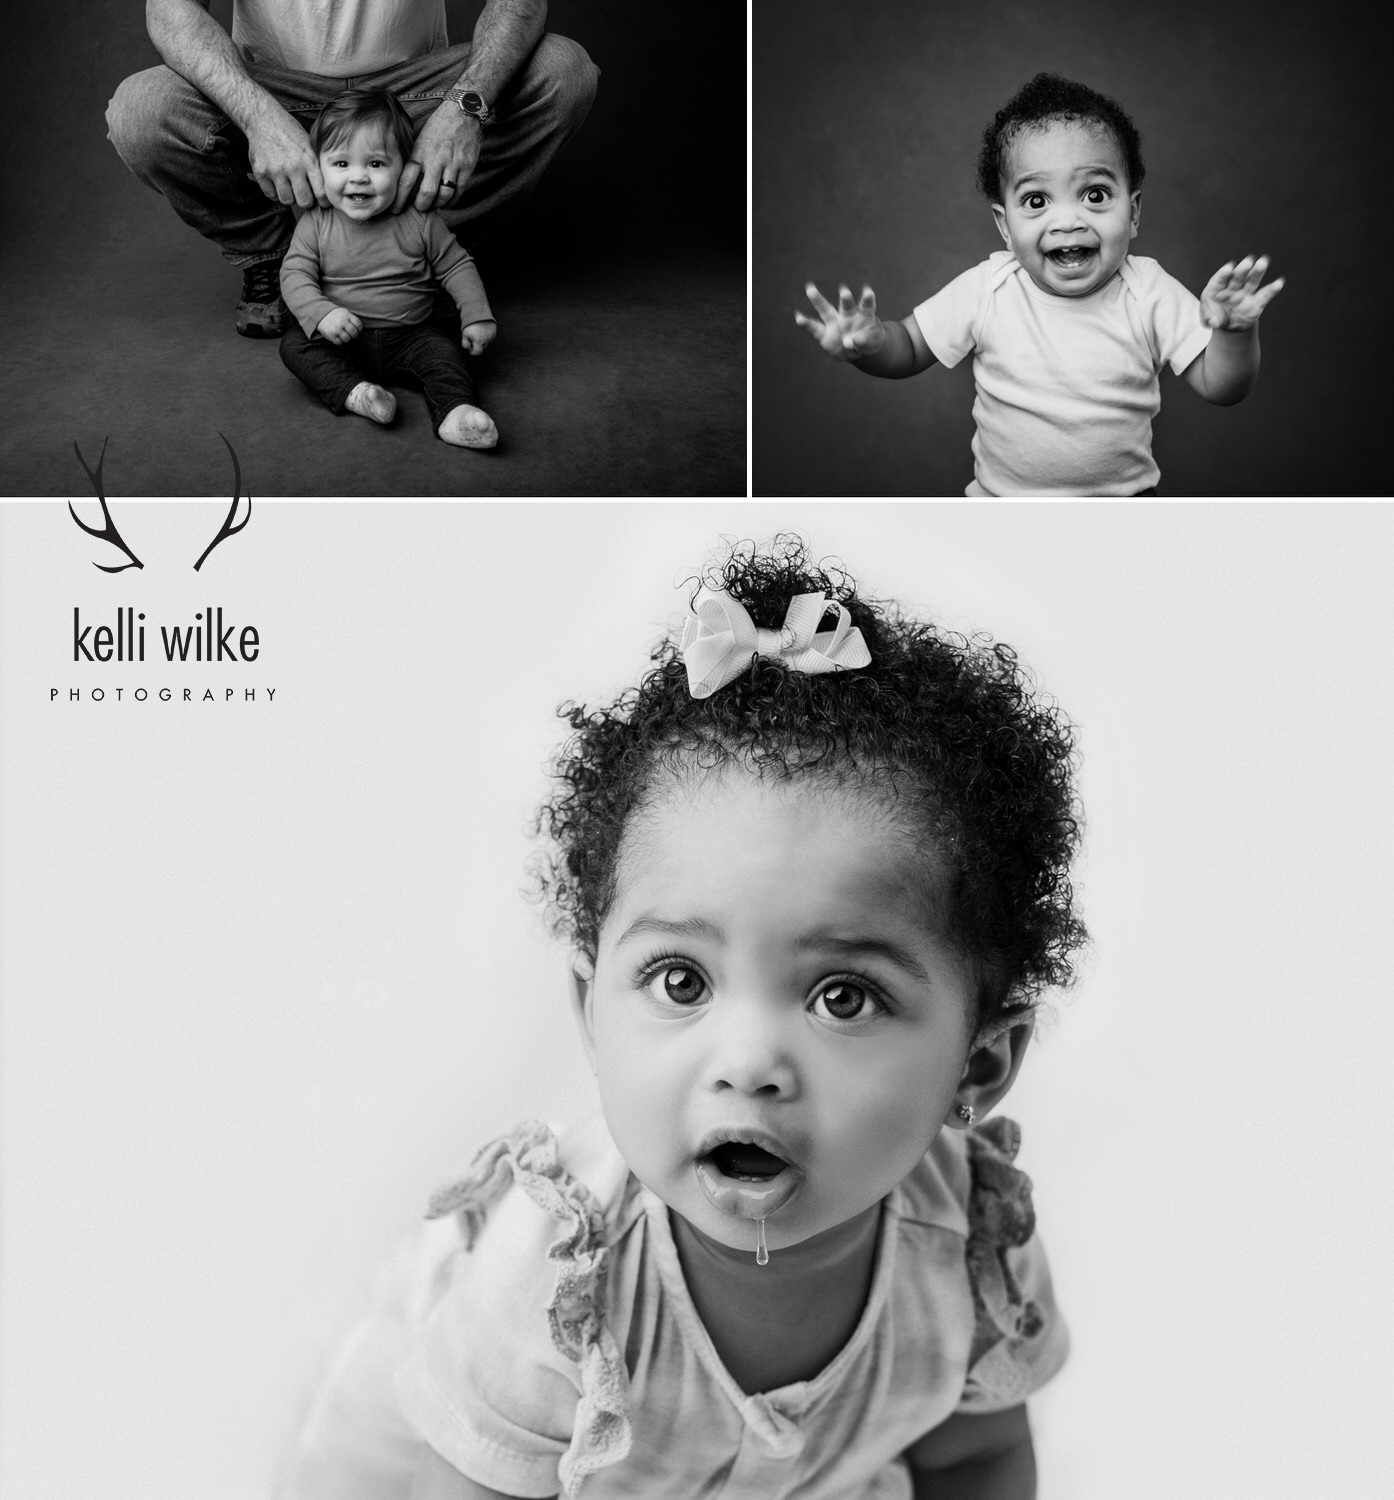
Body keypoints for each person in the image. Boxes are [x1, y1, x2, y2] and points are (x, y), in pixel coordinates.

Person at [277, 536, 1084, 1500]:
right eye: (681, 981)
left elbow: (976, 1457)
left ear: (979, 1068)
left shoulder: (972, 1249)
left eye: (843, 996)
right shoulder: (554, 1282)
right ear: (590, 1010)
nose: (748, 1063)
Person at [795, 73, 1286, 497]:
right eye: (1036, 201)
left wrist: (1235, 333)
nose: (1067, 220)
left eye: (1095, 194)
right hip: (1001, 508)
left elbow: (1222, 387)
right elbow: (908, 349)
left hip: (1125, 506)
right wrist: (872, 343)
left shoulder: (1149, 290)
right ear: (1005, 225)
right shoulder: (989, 288)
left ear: (1132, 212)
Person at [106, 0, 598, 337]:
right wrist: (258, 117)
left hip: (409, 96)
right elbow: (169, 7)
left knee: (563, 70)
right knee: (142, 110)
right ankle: (275, 259)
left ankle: (414, 245)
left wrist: (463, 109)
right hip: (278, 92)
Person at [278, 89, 499, 448]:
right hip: (344, 339)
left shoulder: (420, 220)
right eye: (341, 164)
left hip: (412, 335)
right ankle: (358, 393)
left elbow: (457, 265)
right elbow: (294, 274)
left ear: (405, 168)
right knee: (295, 346)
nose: (359, 177)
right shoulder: (316, 223)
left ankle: (457, 413)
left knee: (445, 357)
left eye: (376, 164)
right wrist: (322, 314)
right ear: (319, 168)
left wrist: (476, 314)